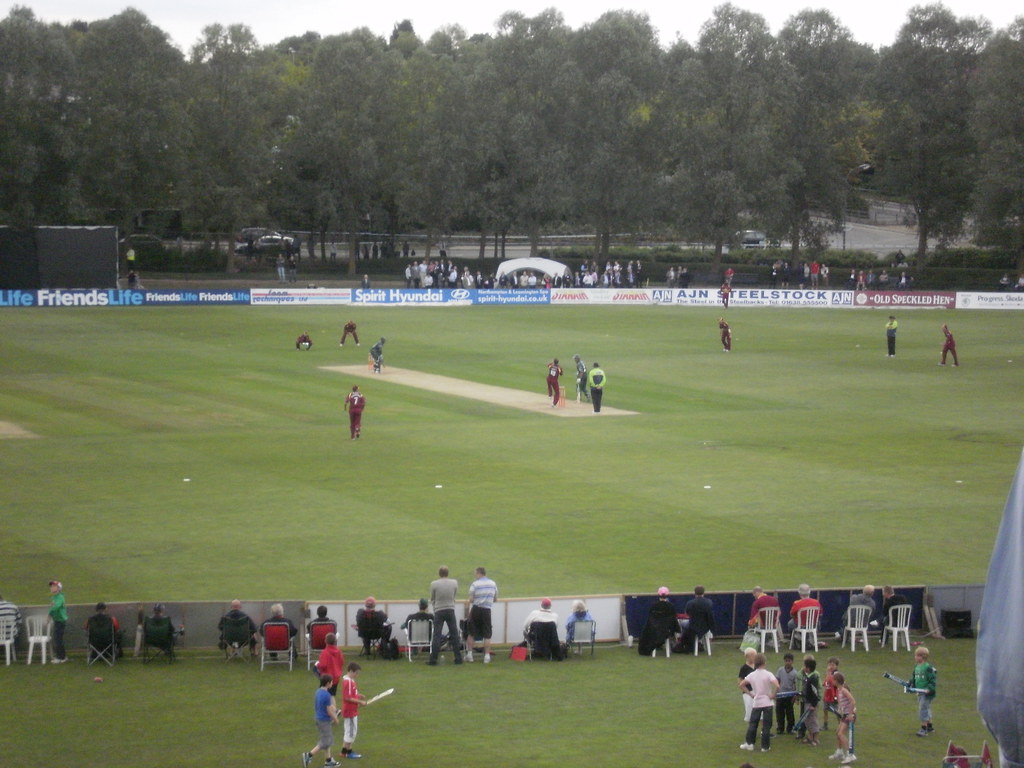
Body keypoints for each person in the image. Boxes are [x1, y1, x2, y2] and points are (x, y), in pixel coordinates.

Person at [740, 652, 779, 753]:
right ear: (764, 662)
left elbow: (741, 684)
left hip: (757, 702)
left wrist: (750, 694)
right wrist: (773, 695)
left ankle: (749, 744)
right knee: (766, 726)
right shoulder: (768, 674)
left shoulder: (752, 675)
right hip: (768, 703)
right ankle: (765, 747)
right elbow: (777, 685)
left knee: (753, 724)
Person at [302, 673, 341, 768]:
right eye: (331, 682)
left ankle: (328, 761)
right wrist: (335, 719)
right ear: (328, 683)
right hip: (324, 721)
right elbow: (329, 710)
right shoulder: (327, 695)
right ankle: (308, 755)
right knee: (326, 742)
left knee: (327, 740)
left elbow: (325, 705)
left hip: (319, 719)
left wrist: (336, 710)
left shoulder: (318, 692)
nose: (332, 683)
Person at [428, 566, 462, 665]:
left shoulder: (434, 584)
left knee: (437, 635)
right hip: (450, 609)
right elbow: (454, 595)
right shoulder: (454, 583)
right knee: (454, 634)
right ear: (447, 573)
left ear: (439, 573)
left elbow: (432, 598)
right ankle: (458, 658)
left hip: (439, 610)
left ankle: (433, 659)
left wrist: (435, 605)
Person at [465, 567, 497, 663]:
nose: (475, 575)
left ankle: (470, 655)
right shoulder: (493, 584)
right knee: (487, 634)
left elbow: (471, 599)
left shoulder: (475, 584)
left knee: (471, 632)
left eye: (475, 573)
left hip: (476, 609)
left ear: (479, 573)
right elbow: (495, 599)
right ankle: (487, 656)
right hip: (487, 610)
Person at [639, 586, 679, 656]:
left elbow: (650, 619)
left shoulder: (654, 606)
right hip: (666, 630)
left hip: (655, 630)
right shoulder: (671, 606)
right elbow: (673, 620)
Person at [340, 662, 369, 759]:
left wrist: (358, 696)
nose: (357, 675)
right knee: (351, 732)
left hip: (351, 710)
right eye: (356, 673)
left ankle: (344, 751)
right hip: (350, 711)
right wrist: (360, 702)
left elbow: (350, 694)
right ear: (351, 671)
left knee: (349, 731)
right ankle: (348, 752)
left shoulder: (349, 680)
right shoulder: (348, 682)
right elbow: (347, 697)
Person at [831, 671, 857, 764]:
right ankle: (839, 752)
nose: (832, 681)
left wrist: (850, 714)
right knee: (838, 732)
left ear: (836, 681)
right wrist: (839, 708)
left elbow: (852, 701)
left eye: (833, 680)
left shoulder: (844, 690)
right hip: (845, 715)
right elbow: (841, 701)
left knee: (841, 734)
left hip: (849, 715)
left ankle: (850, 754)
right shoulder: (839, 690)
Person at [912, 646, 938, 737]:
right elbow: (914, 678)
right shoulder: (917, 667)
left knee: (923, 709)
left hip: (926, 693)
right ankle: (930, 726)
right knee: (926, 708)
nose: (915, 657)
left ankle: (924, 728)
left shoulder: (928, 668)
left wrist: (929, 688)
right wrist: (911, 683)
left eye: (916, 655)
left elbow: (933, 680)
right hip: (920, 692)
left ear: (922, 657)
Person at [682, 585, 714, 652]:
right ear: (703, 593)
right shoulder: (709, 602)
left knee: (682, 623)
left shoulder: (690, 603)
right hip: (705, 626)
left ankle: (685, 643)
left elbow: (687, 614)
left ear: (695, 593)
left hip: (693, 626)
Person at [314, 633, 346, 697]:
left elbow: (323, 665)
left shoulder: (325, 652)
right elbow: (342, 662)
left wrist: (317, 664)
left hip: (327, 677)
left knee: (324, 694)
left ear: (325, 641)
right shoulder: (339, 651)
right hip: (336, 677)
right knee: (332, 695)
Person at [800, 656, 822, 746]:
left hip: (811, 703)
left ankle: (816, 738)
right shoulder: (808, 677)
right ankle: (810, 737)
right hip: (807, 701)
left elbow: (815, 692)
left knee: (813, 720)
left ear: (808, 668)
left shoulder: (813, 678)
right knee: (807, 720)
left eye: (804, 666)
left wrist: (813, 704)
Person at [776, 653, 799, 735]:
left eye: (789, 661)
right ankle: (780, 728)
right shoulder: (780, 670)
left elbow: (796, 685)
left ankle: (790, 728)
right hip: (780, 694)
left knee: (789, 713)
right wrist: (776, 692)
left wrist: (795, 696)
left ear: (792, 661)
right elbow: (777, 681)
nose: (787, 662)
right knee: (779, 713)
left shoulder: (795, 673)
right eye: (786, 661)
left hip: (789, 695)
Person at [48, 580, 68, 663]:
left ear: (59, 588)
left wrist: (49, 614)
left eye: (54, 586)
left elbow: (56, 607)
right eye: (51, 586)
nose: (52, 588)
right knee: (58, 639)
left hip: (60, 621)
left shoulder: (59, 597)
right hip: (57, 620)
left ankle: (60, 657)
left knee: (57, 639)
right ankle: (62, 656)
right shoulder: (54, 597)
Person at [738, 647, 757, 723]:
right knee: (750, 712)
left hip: (758, 691)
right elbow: (740, 682)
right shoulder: (744, 668)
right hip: (748, 693)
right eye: (753, 655)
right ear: (747, 656)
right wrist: (749, 693)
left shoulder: (757, 666)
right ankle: (752, 728)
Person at [822, 656, 840, 731]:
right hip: (827, 696)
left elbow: (836, 684)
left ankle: (840, 725)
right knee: (825, 710)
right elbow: (825, 684)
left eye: (833, 665)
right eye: (829, 665)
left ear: (836, 666)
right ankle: (825, 725)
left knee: (837, 712)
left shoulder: (836, 674)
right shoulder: (828, 674)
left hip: (833, 697)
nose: (831, 666)